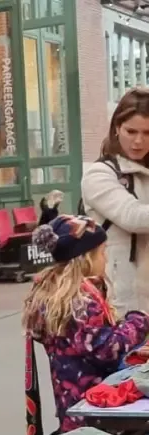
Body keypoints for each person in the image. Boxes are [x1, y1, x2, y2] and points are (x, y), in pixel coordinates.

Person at [22, 214, 149, 433]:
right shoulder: (79, 302)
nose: (106, 259)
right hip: (93, 412)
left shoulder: (54, 294)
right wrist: (139, 320)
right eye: (102, 252)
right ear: (86, 258)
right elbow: (108, 350)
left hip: (74, 406)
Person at [81, 87, 149, 317]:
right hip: (118, 299)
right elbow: (133, 217)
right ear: (117, 129)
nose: (138, 141)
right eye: (131, 131)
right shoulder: (99, 174)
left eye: (148, 133)